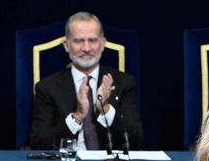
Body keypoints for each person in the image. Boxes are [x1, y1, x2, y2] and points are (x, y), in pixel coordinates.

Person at [29, 12, 144, 151]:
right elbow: (38, 143)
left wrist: (106, 109)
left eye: (93, 40)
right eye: (78, 41)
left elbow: (136, 141)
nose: (86, 48)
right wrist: (77, 116)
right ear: (66, 45)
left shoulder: (124, 83)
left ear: (103, 44)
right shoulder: (47, 87)